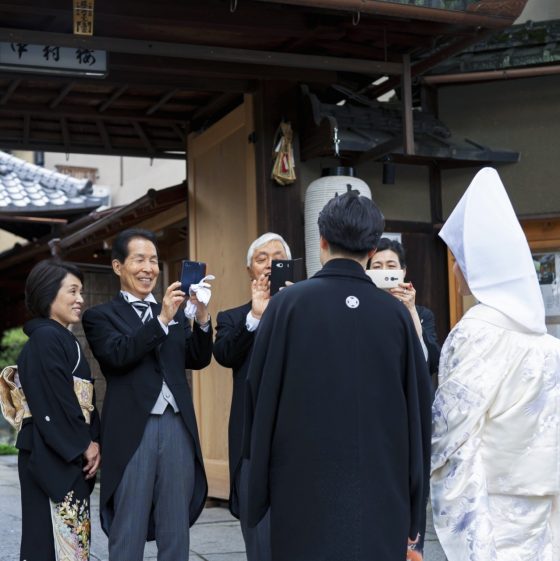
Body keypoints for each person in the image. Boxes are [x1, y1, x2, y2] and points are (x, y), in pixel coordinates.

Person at [243, 191, 433, 561]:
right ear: (372, 250)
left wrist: (257, 493)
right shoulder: (395, 314)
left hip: (301, 489)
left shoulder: (287, 305)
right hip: (381, 489)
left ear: (322, 241)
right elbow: (417, 412)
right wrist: (415, 504)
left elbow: (260, 396)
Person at [431, 167, 560, 561]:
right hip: (542, 505)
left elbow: (452, 435)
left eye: (458, 260)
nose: (455, 269)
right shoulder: (548, 344)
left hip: (492, 508)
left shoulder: (476, 334)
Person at [82, 228, 213, 561]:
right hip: (131, 430)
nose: (149, 268)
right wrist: (163, 318)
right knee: (129, 525)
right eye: (139, 259)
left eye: (153, 260)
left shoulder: (176, 312)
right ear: (118, 266)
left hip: (177, 424)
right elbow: (118, 355)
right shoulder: (100, 316)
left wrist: (201, 316)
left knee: (175, 525)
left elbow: (197, 358)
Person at [213, 232, 292, 561]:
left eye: (278, 258)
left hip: (297, 439)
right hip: (251, 441)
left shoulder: (308, 309)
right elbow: (224, 354)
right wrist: (257, 316)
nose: (270, 264)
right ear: (250, 270)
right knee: (258, 538)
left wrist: (293, 305)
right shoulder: (233, 318)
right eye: (262, 259)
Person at [16, 259, 100, 561]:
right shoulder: (46, 338)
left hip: (62, 448)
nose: (80, 299)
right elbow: (55, 400)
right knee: (51, 540)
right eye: (72, 291)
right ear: (48, 293)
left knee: (71, 542)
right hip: (51, 450)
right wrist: (84, 443)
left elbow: (81, 399)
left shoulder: (58, 337)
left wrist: (92, 440)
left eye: (81, 292)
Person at [369, 237, 441, 376]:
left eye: (391, 266)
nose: (384, 271)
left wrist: (411, 310)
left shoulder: (422, 314)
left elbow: (430, 363)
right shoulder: (361, 309)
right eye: (377, 267)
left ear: (403, 271)